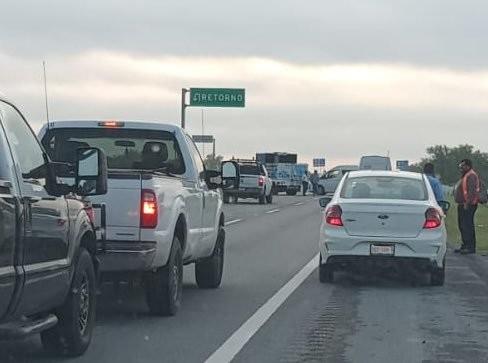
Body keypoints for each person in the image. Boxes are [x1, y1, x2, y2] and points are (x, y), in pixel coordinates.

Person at [454, 159, 480, 254]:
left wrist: (467, 202)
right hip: (463, 204)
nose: (461, 168)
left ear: (468, 166)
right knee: (462, 225)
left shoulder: (471, 175)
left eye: (463, 166)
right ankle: (465, 244)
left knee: (467, 225)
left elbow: (471, 191)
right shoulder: (466, 175)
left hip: (469, 205)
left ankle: (470, 247)